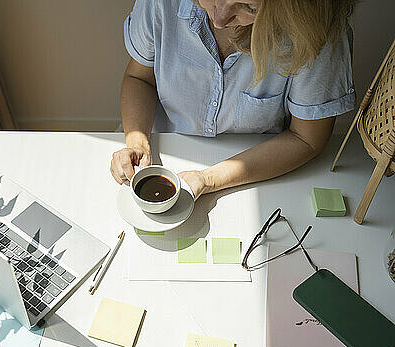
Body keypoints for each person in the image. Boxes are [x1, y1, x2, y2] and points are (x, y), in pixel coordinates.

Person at [110, 0, 357, 201]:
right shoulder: (162, 4)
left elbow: (307, 139)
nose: (219, 19)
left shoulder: (315, 34)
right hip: (164, 148)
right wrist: (137, 141)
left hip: (262, 171)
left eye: (248, 7)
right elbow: (139, 78)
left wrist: (209, 179)